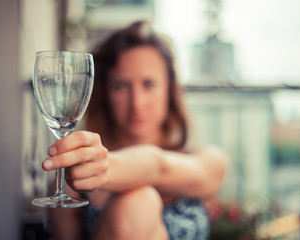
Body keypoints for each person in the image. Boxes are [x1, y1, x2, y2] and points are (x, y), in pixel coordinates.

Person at [43, 21, 228, 240]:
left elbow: (157, 167)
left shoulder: (207, 160)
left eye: (149, 84)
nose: (137, 104)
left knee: (138, 200)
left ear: (169, 89)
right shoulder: (72, 183)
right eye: (121, 86)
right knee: (136, 202)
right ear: (105, 93)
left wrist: (105, 168)